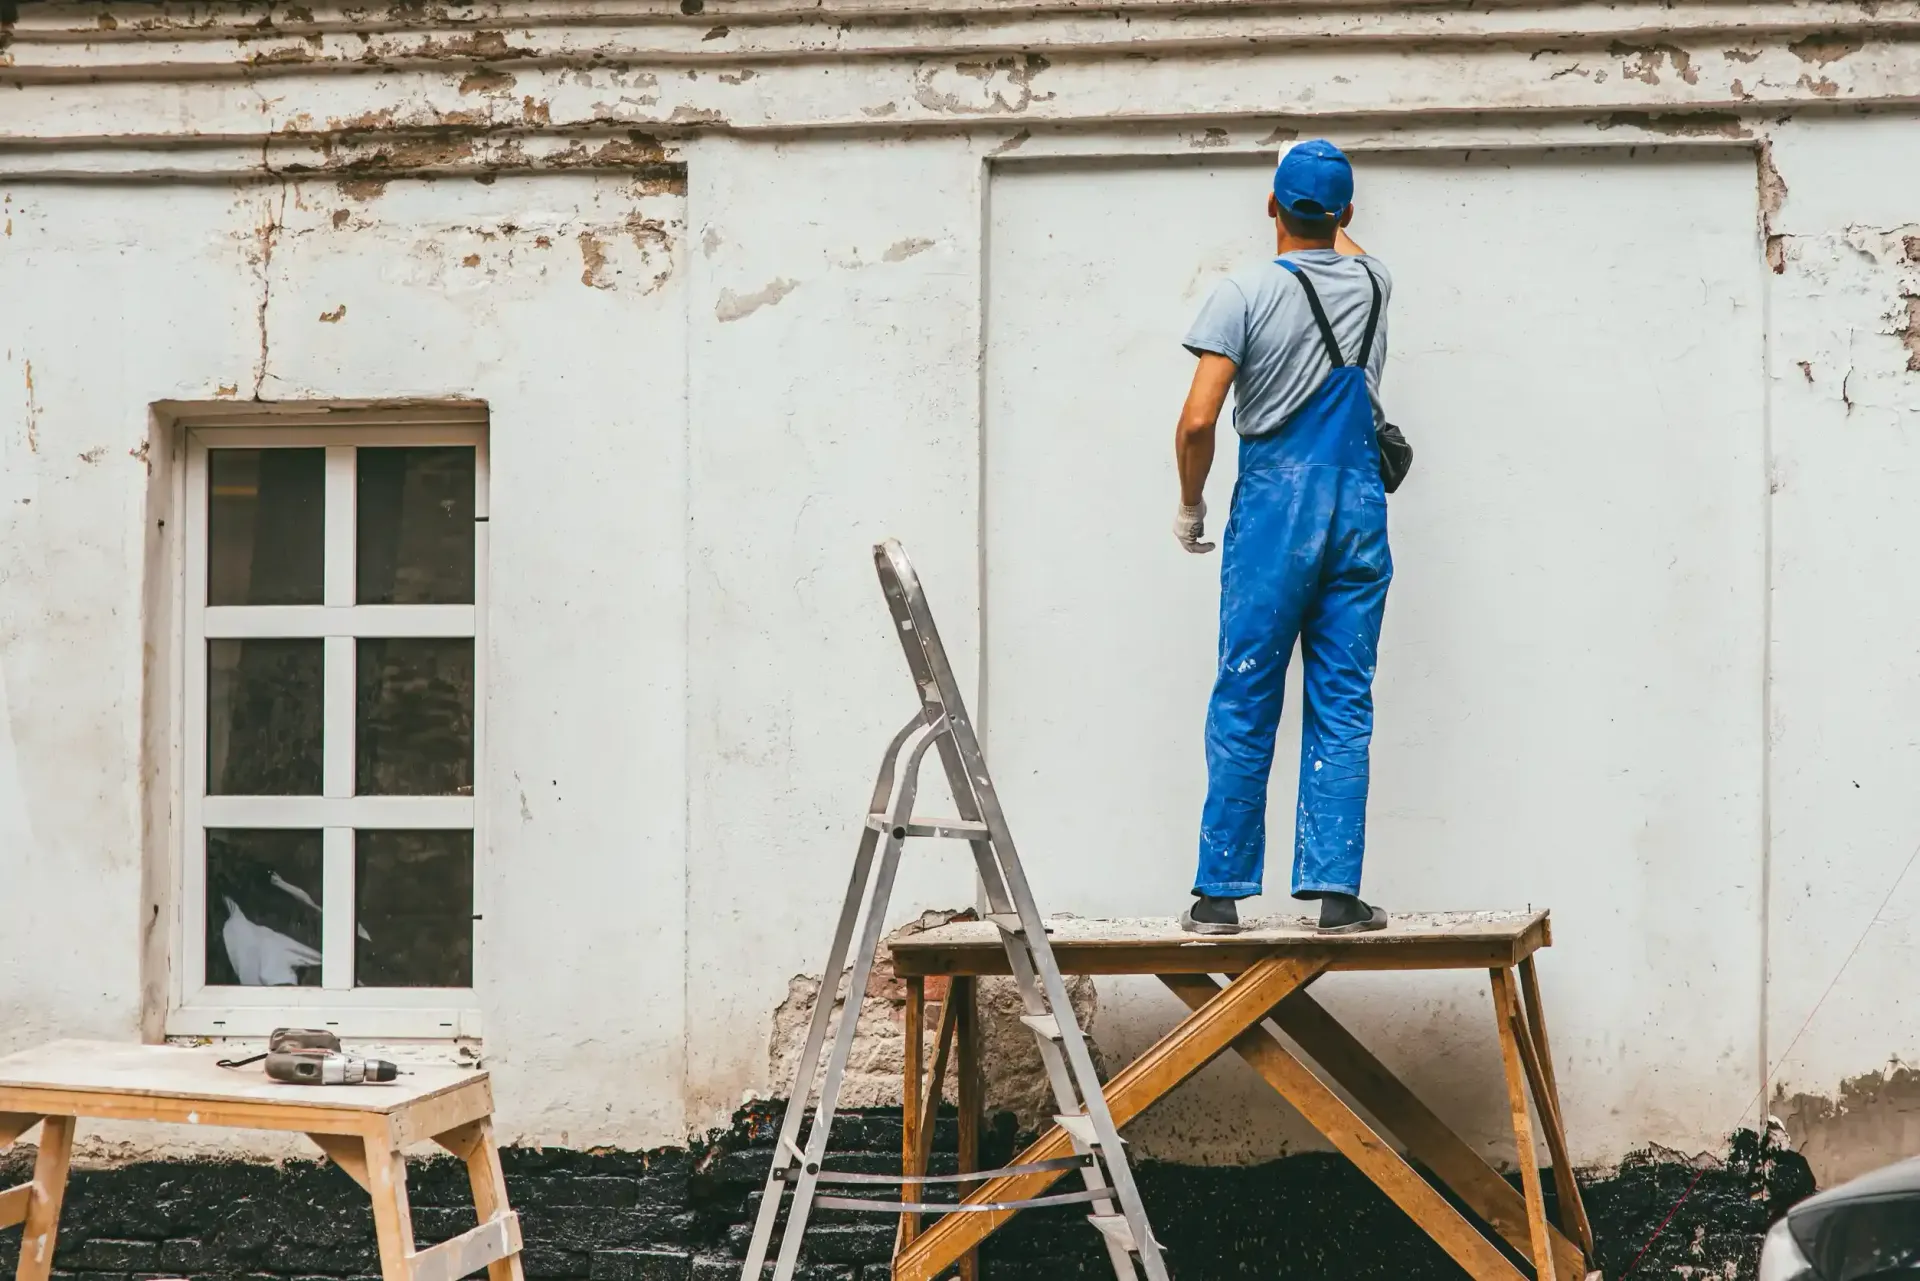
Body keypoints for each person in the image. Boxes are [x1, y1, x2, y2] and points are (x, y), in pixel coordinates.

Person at [1173, 139, 1394, 936]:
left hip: (1275, 513)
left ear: (1271, 205)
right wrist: (1332, 210)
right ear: (1345, 214)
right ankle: (1336, 894)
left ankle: (1219, 895)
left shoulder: (1241, 294)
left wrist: (1191, 503)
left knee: (1246, 691)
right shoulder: (1374, 283)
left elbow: (1199, 418)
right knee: (1343, 701)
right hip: (1358, 510)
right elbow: (1348, 244)